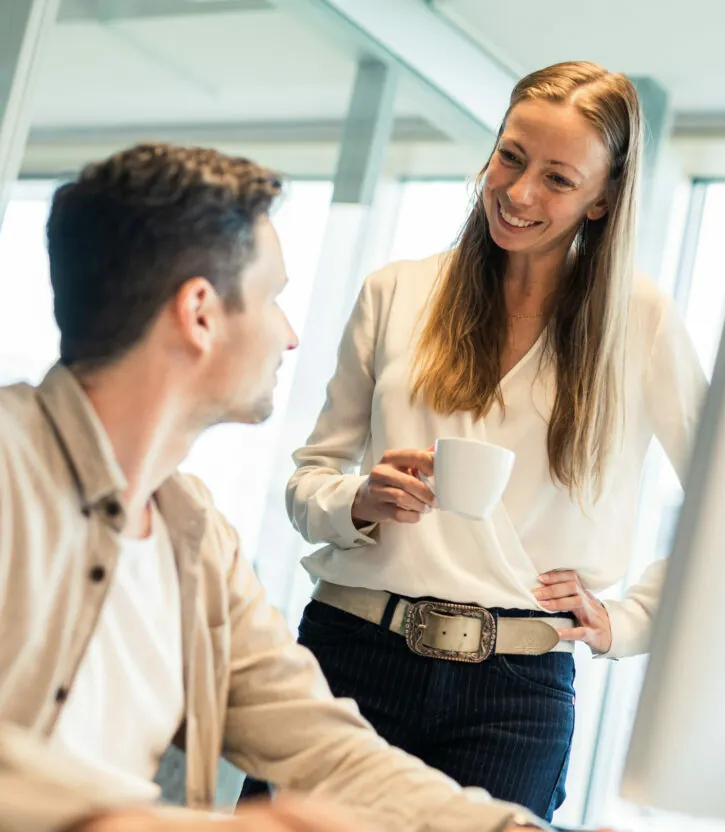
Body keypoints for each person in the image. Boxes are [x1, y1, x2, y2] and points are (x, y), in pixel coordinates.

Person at [0, 143, 545, 832]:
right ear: (200, 313)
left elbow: (325, 750)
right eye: (273, 298)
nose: (289, 336)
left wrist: (514, 829)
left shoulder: (194, 536)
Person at [287, 61, 707, 821]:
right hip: (350, 656)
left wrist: (628, 621)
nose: (517, 193)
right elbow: (311, 477)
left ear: (603, 200)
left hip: (516, 693)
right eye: (510, 157)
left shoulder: (641, 324)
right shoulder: (397, 291)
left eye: (557, 178)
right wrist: (358, 499)